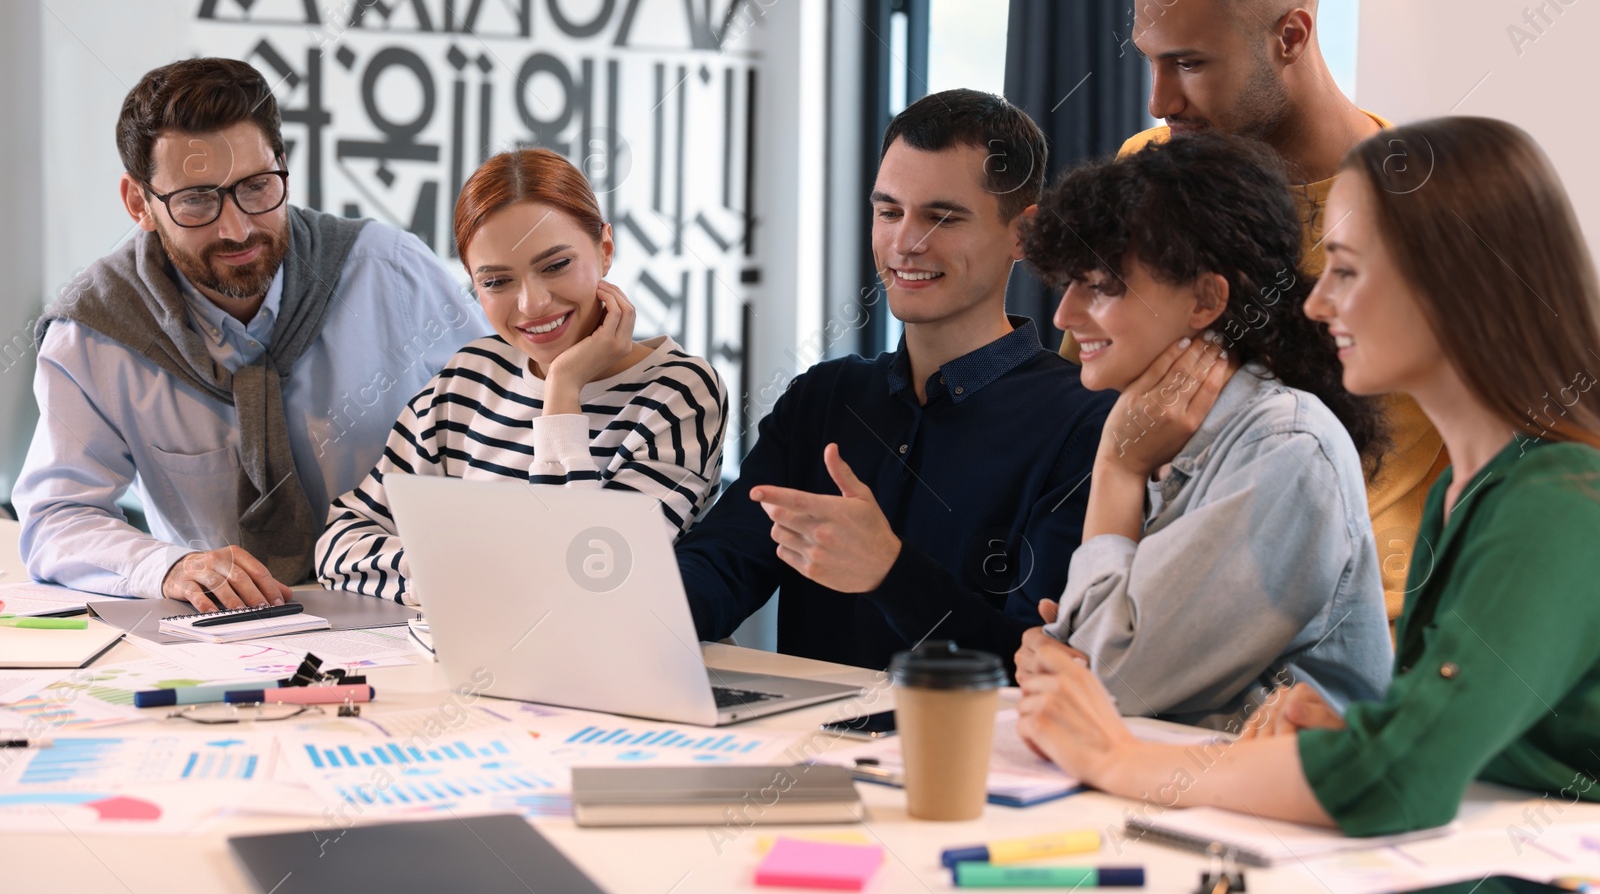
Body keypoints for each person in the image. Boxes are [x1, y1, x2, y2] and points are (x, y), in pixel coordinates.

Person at [1015, 117, 1600, 834]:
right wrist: (1357, 730)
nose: (1318, 304)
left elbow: (1401, 778)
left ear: (1451, 283)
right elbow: (1435, 740)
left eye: (1347, 271)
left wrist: (1117, 757)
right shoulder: (1470, 494)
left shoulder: (1558, 499)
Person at [1085, 0, 1446, 623]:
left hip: (1357, 648)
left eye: (1188, 63)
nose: (1160, 101)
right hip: (1158, 621)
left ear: (1291, 35)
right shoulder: (1147, 171)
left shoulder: (1433, 208)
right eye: (1151, 60)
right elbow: (1089, 405)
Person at [13, 58, 484, 610]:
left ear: (283, 165)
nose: (236, 228)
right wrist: (167, 566)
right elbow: (56, 516)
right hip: (223, 635)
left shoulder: (394, 273)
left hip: (413, 609)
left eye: (257, 187)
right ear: (139, 204)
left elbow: (505, 416)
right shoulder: (95, 332)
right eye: (196, 200)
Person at [674, 89, 1114, 673]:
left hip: (973, 761)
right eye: (889, 212)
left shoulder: (1087, 420)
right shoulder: (823, 399)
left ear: (1023, 235)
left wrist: (890, 572)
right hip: (806, 753)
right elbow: (723, 566)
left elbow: (1040, 662)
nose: (907, 242)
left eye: (942, 217)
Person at [1022, 133, 1392, 728]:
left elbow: (1107, 687)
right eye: (1070, 281)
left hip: (1263, 817)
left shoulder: (1285, 449)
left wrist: (1117, 470)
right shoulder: (1168, 431)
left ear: (1205, 299)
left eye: (1102, 284)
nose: (1064, 315)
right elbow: (1085, 665)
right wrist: (1058, 652)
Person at [317, 148, 727, 605]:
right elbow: (340, 544)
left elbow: (586, 577)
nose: (532, 304)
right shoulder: (469, 379)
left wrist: (564, 388)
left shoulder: (680, 393)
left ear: (605, 249)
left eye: (555, 266)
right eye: (496, 282)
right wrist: (449, 572)